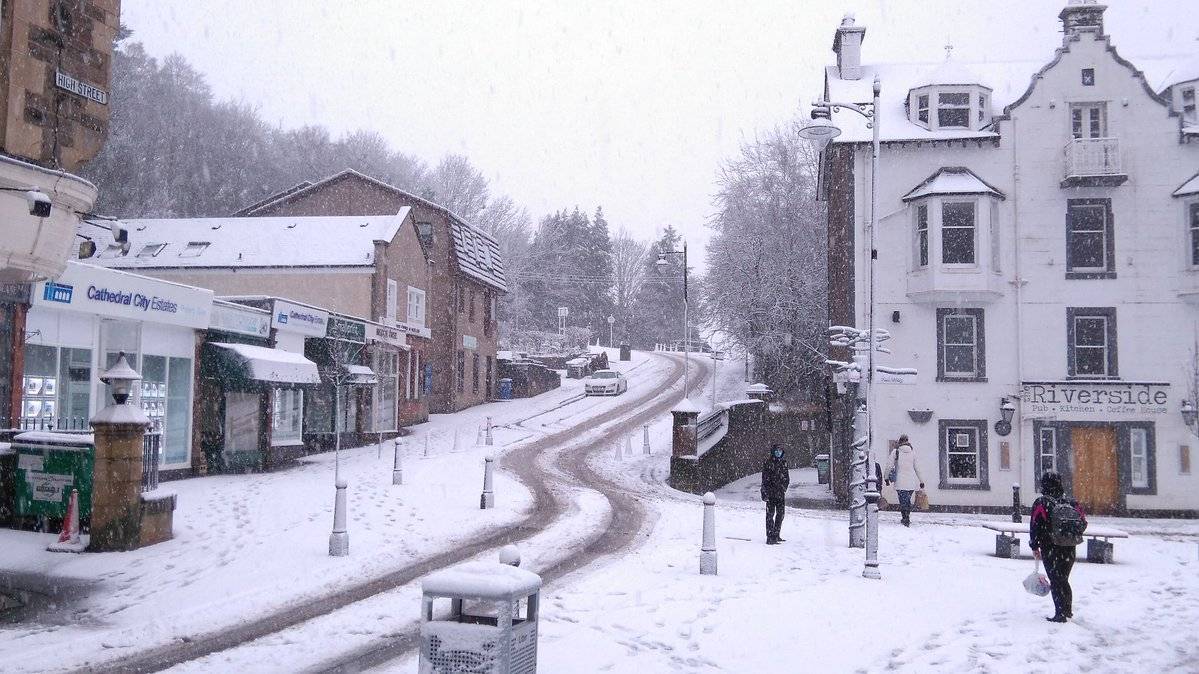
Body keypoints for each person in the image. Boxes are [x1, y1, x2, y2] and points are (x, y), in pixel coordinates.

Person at [1030, 471, 1087, 622]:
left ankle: (1060, 614)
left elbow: (1035, 525)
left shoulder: (1041, 503)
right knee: (1064, 580)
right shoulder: (1072, 503)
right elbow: (1083, 523)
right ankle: (1067, 611)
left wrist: (1035, 546)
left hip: (1050, 547)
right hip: (1069, 547)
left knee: (1056, 581)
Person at [884, 434, 924, 527]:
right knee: (907, 500)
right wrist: (921, 481)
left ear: (900, 441)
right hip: (911, 482)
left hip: (900, 481)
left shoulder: (896, 452)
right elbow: (917, 468)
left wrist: (886, 478)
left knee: (903, 501)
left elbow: (889, 465)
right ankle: (907, 516)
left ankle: (905, 518)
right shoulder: (913, 453)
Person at [760, 444, 790, 544]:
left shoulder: (783, 463)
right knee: (770, 515)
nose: (778, 452)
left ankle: (776, 535)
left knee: (780, 514)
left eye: (780, 451)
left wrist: (783, 488)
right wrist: (765, 492)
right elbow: (764, 479)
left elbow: (786, 478)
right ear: (773, 451)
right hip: (770, 493)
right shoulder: (768, 463)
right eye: (777, 451)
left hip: (780, 493)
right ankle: (770, 536)